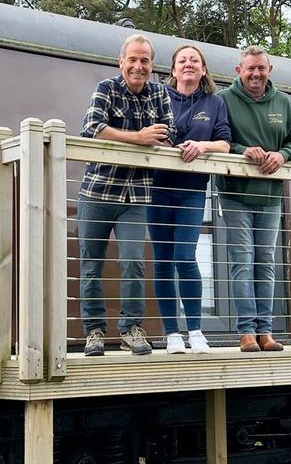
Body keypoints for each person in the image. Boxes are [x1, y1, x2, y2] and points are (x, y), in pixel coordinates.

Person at [78, 34, 175, 356]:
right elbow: (92, 127)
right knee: (92, 263)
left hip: (137, 196)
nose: (138, 66)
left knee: (133, 261)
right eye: (132, 59)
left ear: (152, 65)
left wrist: (141, 138)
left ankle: (131, 329)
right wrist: (138, 137)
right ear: (122, 63)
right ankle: (94, 331)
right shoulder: (107, 88)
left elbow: (167, 135)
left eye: (144, 60)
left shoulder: (160, 93)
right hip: (98, 191)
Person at [216, 45, 291, 352]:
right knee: (243, 260)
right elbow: (219, 139)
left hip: (271, 195)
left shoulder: (285, 102)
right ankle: (246, 332)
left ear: (270, 70)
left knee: (265, 262)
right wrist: (243, 151)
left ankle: (266, 331)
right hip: (235, 194)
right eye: (249, 68)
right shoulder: (223, 100)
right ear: (239, 71)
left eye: (261, 68)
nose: (255, 73)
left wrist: (282, 155)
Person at [148, 45, 231, 354]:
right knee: (163, 260)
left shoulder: (214, 103)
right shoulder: (159, 96)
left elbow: (225, 143)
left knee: (185, 257)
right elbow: (148, 131)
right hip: (157, 188)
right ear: (173, 69)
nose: (188, 64)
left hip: (193, 189)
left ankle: (195, 329)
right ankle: (172, 334)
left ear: (203, 69)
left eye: (194, 60)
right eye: (181, 60)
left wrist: (202, 145)